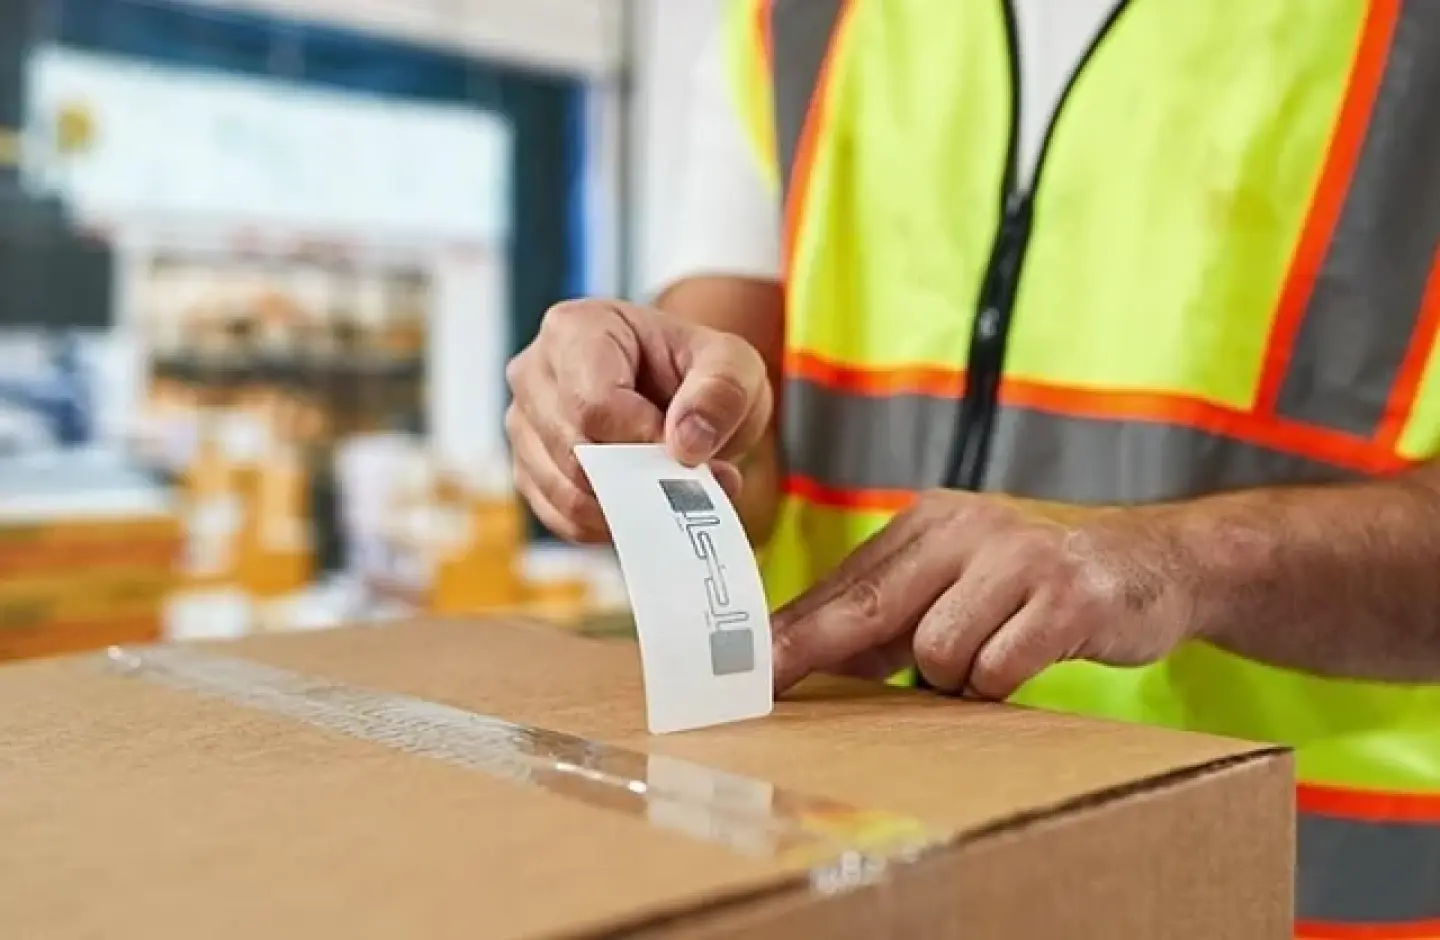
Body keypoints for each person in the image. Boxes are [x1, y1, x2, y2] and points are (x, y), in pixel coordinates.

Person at [505, 1, 1440, 932]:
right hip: (844, 880)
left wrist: (1184, 559)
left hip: (1285, 895)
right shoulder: (792, 22)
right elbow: (727, 434)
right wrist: (639, 427)